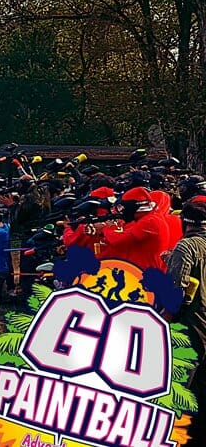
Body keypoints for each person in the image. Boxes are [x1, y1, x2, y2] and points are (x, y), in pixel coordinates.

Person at [166, 198, 206, 444]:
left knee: (178, 385)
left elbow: (176, 291)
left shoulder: (186, 246)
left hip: (190, 323)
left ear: (186, 222)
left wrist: (163, 321)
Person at [101, 186, 170, 271]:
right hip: (140, 270)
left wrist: (107, 228)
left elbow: (119, 240)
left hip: (143, 272)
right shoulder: (149, 218)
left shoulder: (150, 221)